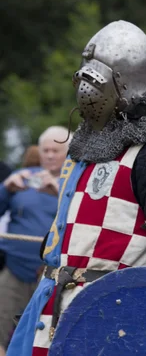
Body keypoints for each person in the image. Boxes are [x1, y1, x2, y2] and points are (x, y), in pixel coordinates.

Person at [7, 21, 146, 356]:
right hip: (51, 305)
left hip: (111, 320)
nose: (86, 88)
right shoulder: (86, 144)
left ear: (124, 80)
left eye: (97, 76)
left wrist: (140, 324)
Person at [0, 127, 69, 354]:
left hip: (55, 277)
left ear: (67, 152)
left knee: (47, 338)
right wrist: (5, 189)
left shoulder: (75, 184)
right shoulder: (22, 179)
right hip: (14, 269)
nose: (49, 155)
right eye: (45, 150)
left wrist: (59, 192)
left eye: (56, 150)